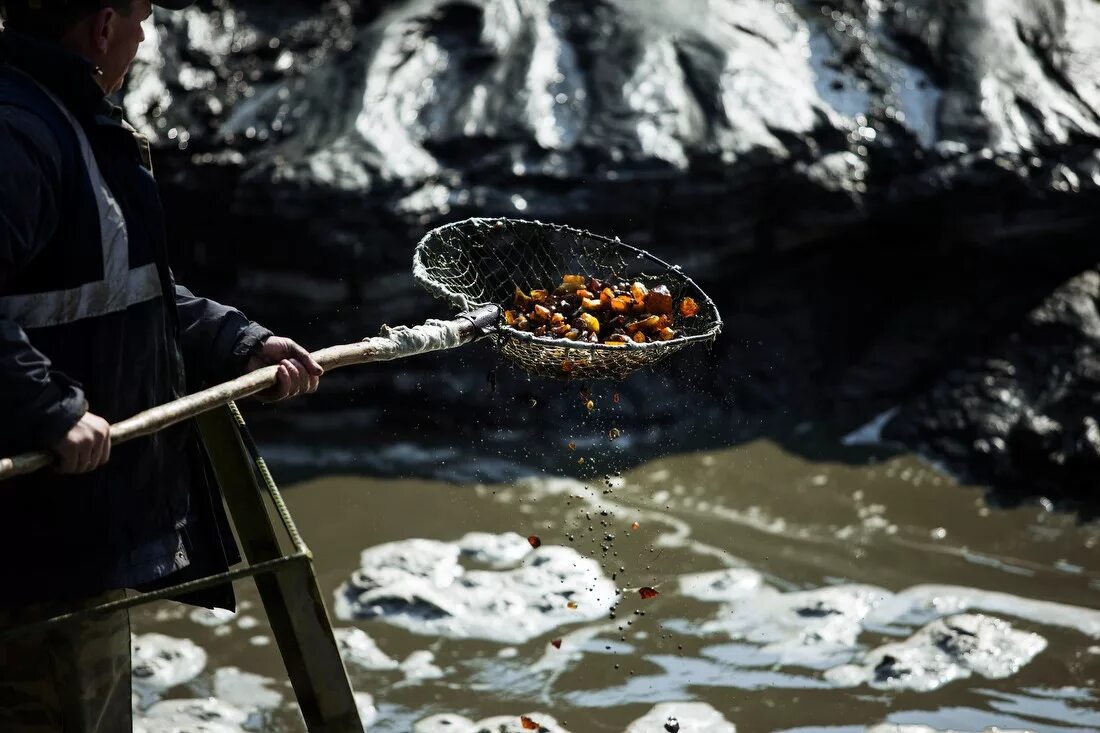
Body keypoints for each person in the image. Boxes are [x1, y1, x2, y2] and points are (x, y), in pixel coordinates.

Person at [0, 1, 323, 730]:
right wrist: (48, 410)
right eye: (141, 19)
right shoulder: (21, 133)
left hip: (72, 533)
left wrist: (239, 342)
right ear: (102, 24)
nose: (146, 39)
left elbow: (127, 292)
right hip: (36, 541)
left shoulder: (63, 120)